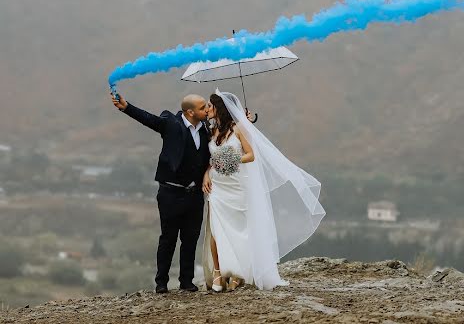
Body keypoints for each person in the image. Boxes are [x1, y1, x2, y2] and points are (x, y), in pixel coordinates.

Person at [202, 90, 325, 291]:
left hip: (236, 186)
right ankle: (218, 273)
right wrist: (207, 172)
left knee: (239, 230)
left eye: (210, 105)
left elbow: (250, 155)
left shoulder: (239, 128)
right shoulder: (211, 131)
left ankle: (237, 273)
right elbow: (210, 160)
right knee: (217, 231)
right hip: (217, 188)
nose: (207, 109)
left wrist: (231, 160)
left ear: (220, 108)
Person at [110, 91, 211, 293]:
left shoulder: (207, 127)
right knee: (168, 238)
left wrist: (249, 118)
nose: (207, 110)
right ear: (190, 112)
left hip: (195, 195)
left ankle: (186, 281)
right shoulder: (171, 123)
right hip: (170, 193)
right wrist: (127, 107)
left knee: (190, 239)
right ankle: (161, 282)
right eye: (203, 107)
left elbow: (228, 129)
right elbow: (150, 120)